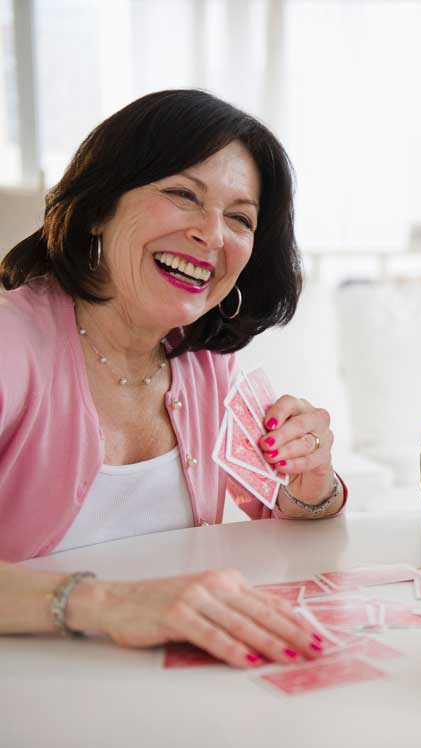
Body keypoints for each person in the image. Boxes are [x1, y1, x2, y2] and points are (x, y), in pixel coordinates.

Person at [0, 90, 346, 668]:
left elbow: (284, 512)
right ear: (99, 207)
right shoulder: (12, 344)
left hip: (155, 677)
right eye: (183, 195)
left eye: (239, 218)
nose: (212, 234)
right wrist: (108, 603)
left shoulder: (202, 358)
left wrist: (313, 484)